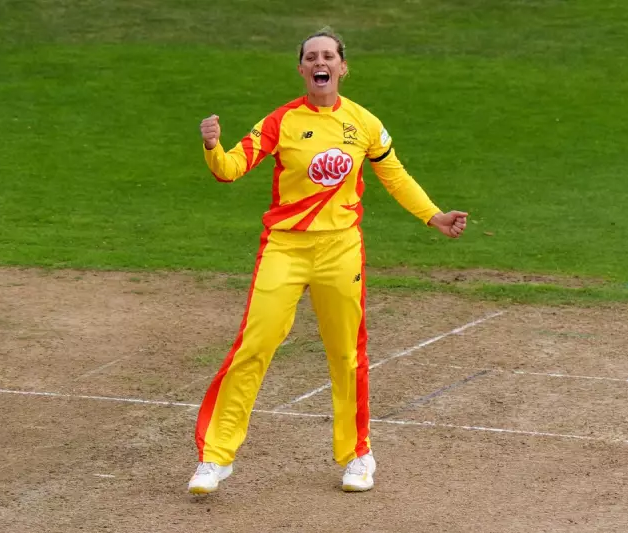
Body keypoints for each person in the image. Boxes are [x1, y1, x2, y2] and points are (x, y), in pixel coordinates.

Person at [188, 28, 468, 495]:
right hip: (285, 248)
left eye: (329, 56)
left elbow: (396, 178)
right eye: (311, 57)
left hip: (341, 249)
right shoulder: (282, 121)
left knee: (346, 353)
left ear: (342, 67)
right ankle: (215, 458)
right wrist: (213, 146)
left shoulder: (365, 123)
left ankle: (358, 455)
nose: (321, 63)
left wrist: (433, 216)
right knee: (253, 347)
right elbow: (231, 169)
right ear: (302, 69)